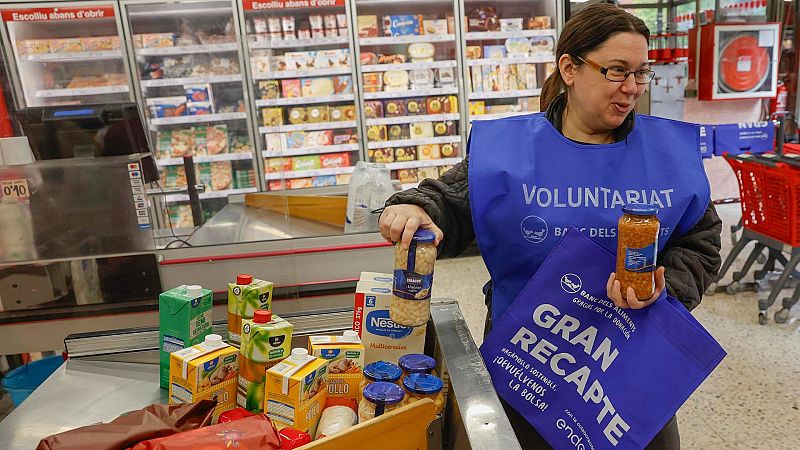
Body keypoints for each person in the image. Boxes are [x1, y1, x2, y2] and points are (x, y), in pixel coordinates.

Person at [378, 4, 722, 449]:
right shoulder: (510, 153)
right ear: (569, 68)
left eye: (641, 72)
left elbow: (701, 240)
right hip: (528, 362)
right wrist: (416, 208)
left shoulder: (666, 159)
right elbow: (451, 202)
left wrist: (667, 286)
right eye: (617, 70)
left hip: (626, 365)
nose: (632, 87)